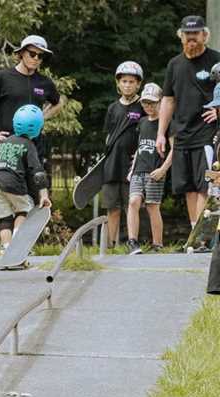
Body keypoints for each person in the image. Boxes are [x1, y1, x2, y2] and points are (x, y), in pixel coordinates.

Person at [156, 15, 220, 244]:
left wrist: (219, 111)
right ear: (181, 37)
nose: (191, 41)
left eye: (195, 36)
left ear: (205, 35)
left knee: (205, 184)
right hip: (181, 133)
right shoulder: (174, 64)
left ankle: (202, 238)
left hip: (207, 132)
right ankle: (196, 234)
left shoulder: (216, 60)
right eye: (187, 36)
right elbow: (168, 100)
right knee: (188, 187)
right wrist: (161, 133)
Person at [0, 105, 52, 247]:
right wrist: (43, 195)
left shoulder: (5, 141)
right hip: (12, 182)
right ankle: (18, 246)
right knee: (23, 210)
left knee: (5, 219)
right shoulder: (29, 145)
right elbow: (38, 173)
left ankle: (6, 250)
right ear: (38, 128)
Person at [0, 35, 66, 169]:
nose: (36, 58)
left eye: (40, 56)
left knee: (36, 186)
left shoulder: (44, 82)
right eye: (32, 54)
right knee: (7, 187)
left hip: (35, 146)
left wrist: (42, 116)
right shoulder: (2, 77)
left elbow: (59, 102)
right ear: (22, 53)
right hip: (7, 146)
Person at [101, 62, 145, 248]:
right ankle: (112, 245)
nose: (127, 85)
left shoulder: (143, 105)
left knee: (132, 205)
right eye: (124, 81)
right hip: (112, 164)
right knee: (113, 207)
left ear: (138, 84)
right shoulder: (112, 108)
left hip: (133, 165)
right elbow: (108, 135)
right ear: (118, 83)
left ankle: (133, 242)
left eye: (131, 81)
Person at [126, 83, 173, 253]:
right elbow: (139, 147)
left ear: (161, 102)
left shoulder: (166, 122)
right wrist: (132, 169)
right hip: (138, 170)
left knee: (153, 205)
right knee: (133, 202)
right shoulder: (142, 122)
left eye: (152, 103)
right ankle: (132, 241)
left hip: (155, 171)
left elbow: (174, 148)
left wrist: (163, 169)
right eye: (145, 103)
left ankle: (157, 244)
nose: (149, 107)